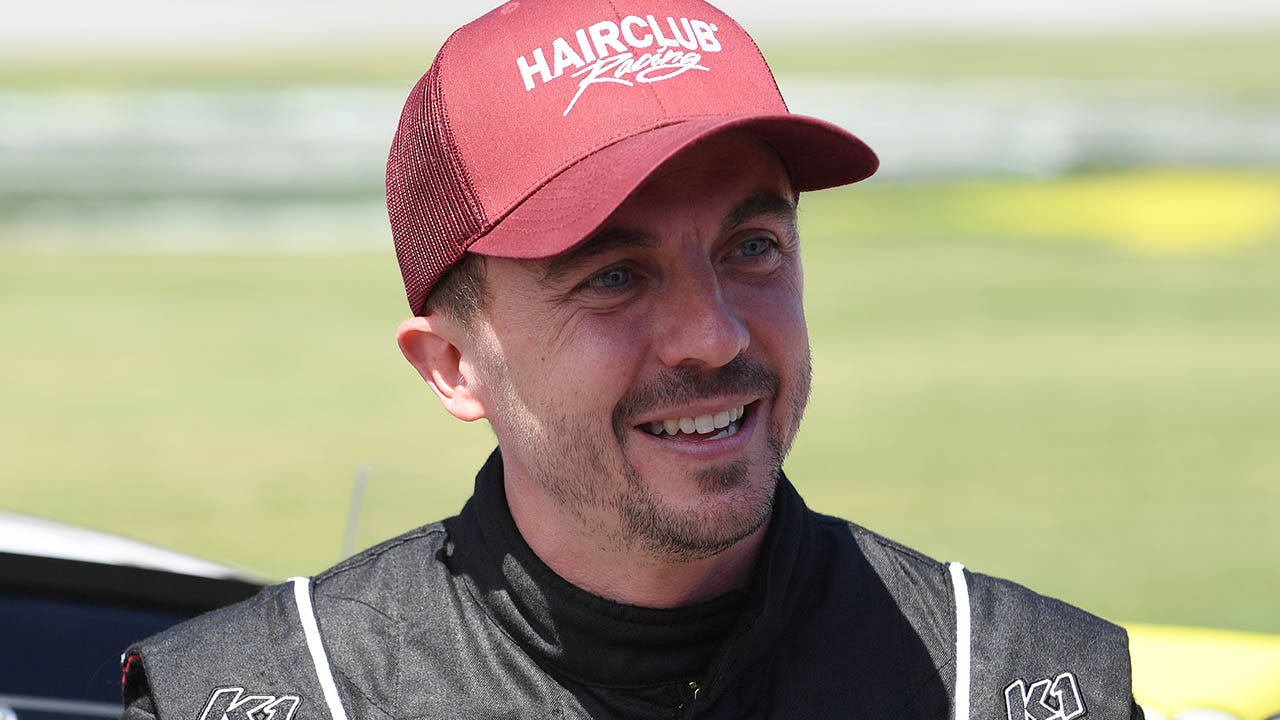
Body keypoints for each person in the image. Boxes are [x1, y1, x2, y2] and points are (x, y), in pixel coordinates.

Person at [122, 0, 1143, 718]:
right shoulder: (283, 695)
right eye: (613, 276)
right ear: (451, 365)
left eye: (753, 248)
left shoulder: (1008, 684)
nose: (715, 335)